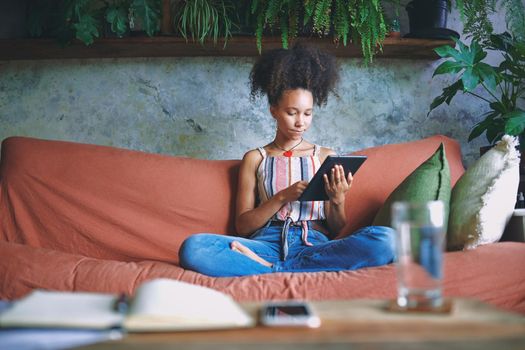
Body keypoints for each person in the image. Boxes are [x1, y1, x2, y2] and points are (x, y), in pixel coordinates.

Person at [179, 43, 395, 277]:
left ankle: (274, 270)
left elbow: (336, 228)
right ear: (274, 110)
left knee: (387, 240)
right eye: (291, 113)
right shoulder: (255, 158)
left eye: (307, 113)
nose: (300, 121)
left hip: (314, 246)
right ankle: (293, 269)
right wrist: (282, 197)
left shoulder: (325, 156)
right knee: (194, 248)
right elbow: (242, 227)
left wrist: (337, 199)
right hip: (265, 245)